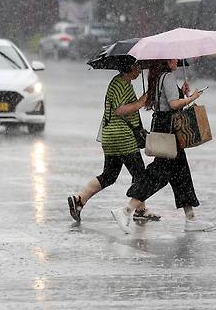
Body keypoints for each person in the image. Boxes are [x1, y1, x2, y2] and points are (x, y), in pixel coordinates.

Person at [111, 59, 213, 233]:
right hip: (169, 129)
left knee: (181, 173)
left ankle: (191, 218)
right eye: (174, 58)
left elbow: (165, 100)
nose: (177, 61)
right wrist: (192, 97)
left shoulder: (157, 76)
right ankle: (126, 210)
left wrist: (181, 92)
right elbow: (173, 105)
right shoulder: (167, 77)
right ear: (166, 60)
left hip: (162, 125)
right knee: (159, 172)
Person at [67, 58, 159, 223]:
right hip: (121, 136)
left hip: (112, 136)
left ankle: (79, 200)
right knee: (140, 174)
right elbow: (120, 110)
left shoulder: (122, 83)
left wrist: (142, 100)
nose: (139, 70)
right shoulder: (120, 83)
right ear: (130, 67)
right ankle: (139, 209)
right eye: (138, 66)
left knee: (109, 175)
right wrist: (139, 102)